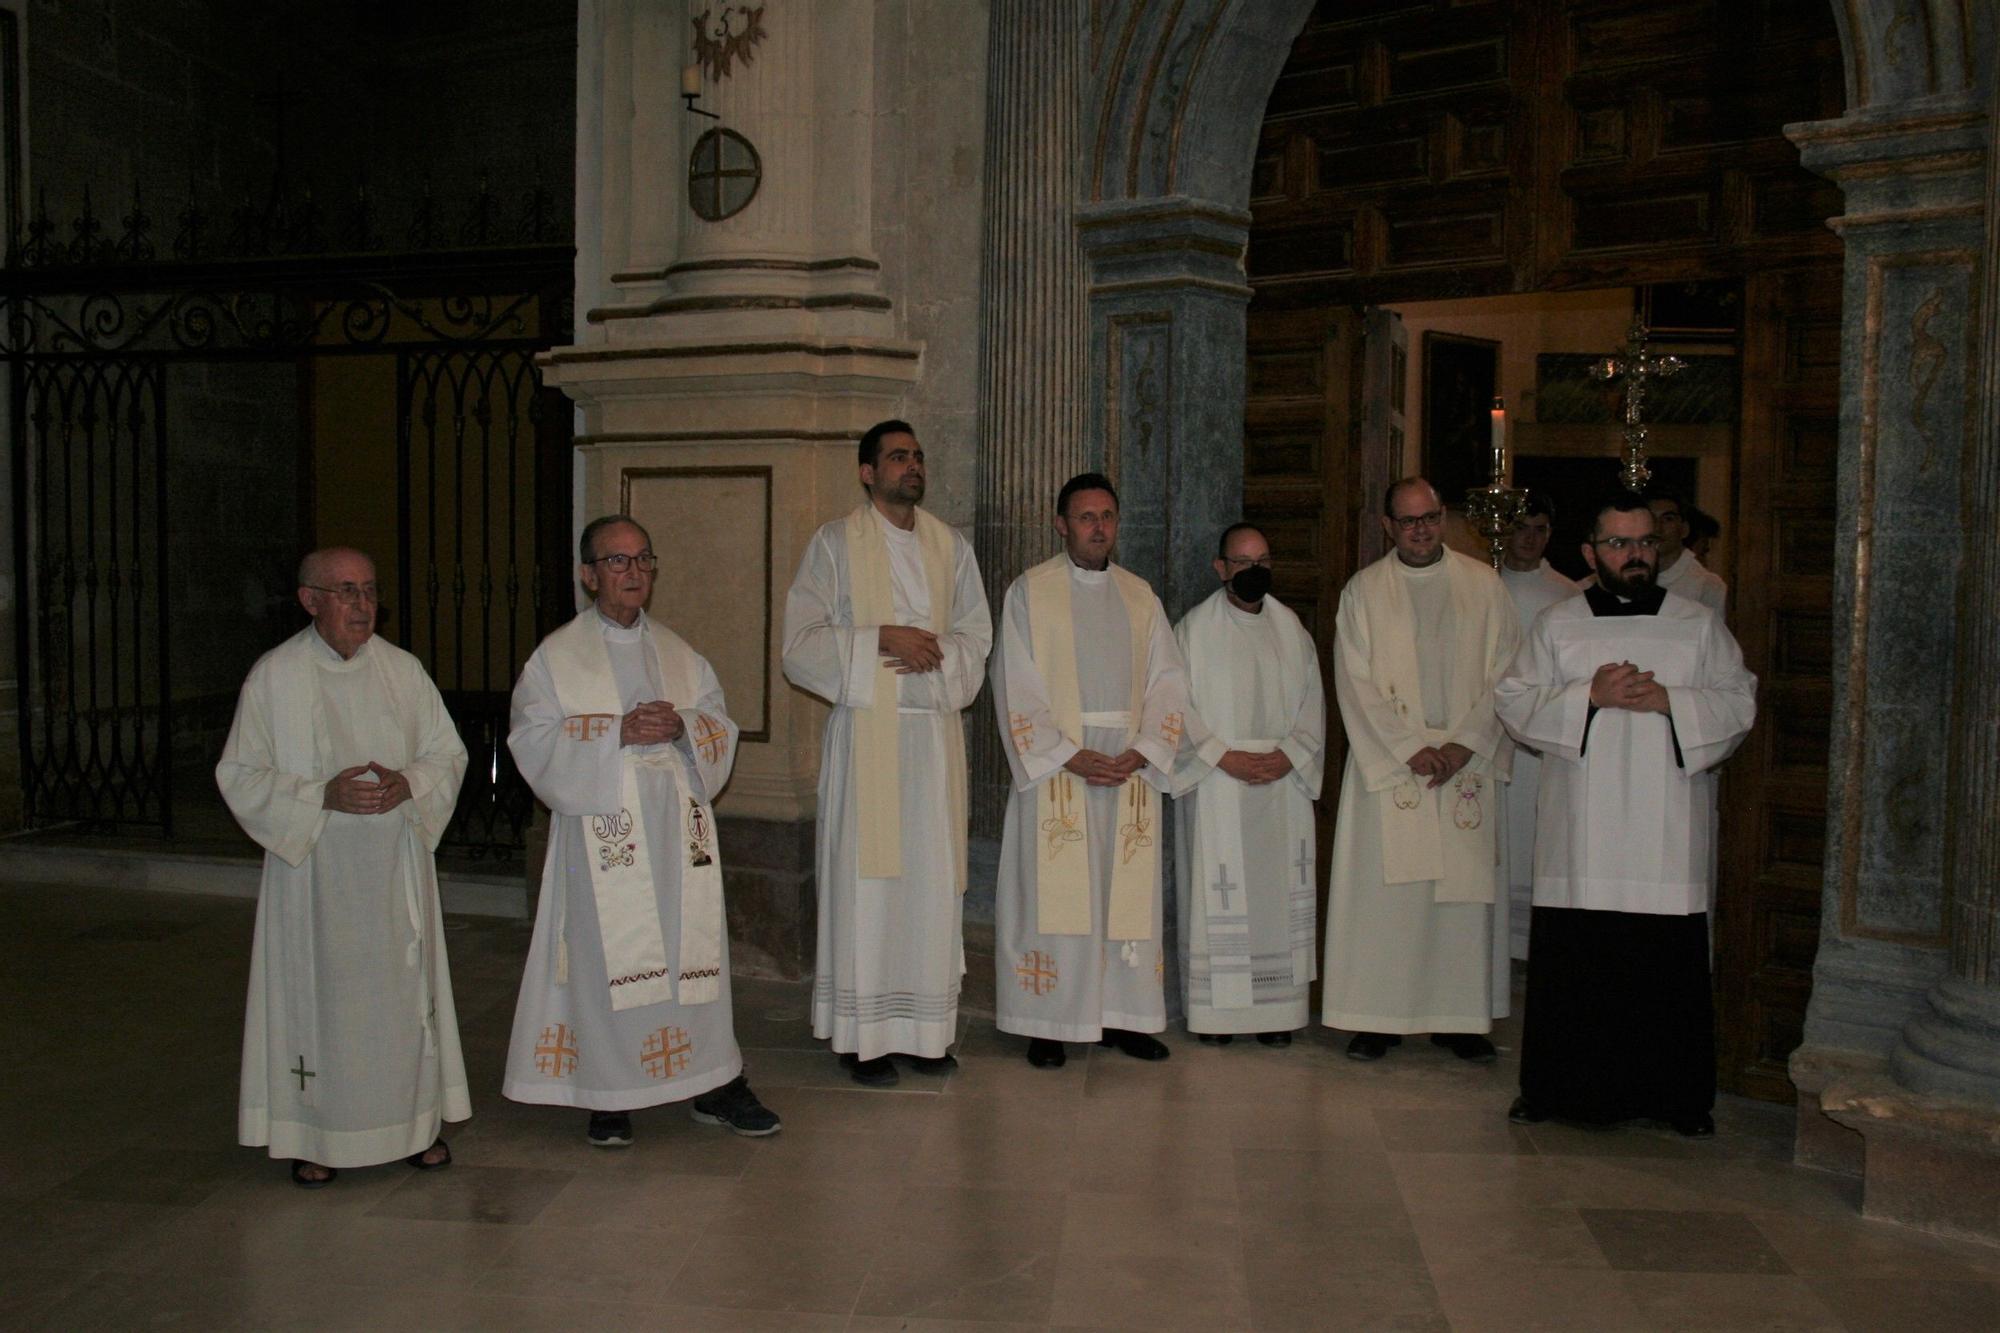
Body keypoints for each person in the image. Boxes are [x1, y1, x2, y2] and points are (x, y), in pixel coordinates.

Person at [502, 515, 779, 1145]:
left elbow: (718, 723)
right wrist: (613, 732)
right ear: (587, 573)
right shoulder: (556, 658)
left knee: (692, 949)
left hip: (676, 830)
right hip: (606, 824)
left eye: (643, 559)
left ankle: (713, 1080)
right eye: (617, 561)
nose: (634, 573)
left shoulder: (680, 653)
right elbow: (531, 736)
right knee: (606, 951)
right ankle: (610, 1089)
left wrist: (683, 726)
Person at [1496, 491, 1756, 1136]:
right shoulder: (1559, 623)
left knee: (1661, 970)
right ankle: (1556, 1091)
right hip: (1582, 834)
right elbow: (1514, 700)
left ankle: (1675, 1099)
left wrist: (1672, 702)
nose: (1634, 553)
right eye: (1618, 543)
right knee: (1577, 969)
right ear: (1590, 553)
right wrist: (1590, 695)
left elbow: (1738, 700)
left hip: (1663, 829)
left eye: (1643, 541)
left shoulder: (1696, 623)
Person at [218, 547, 469, 1188]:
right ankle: (317, 1135)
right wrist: (318, 796)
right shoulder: (273, 677)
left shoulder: (402, 670)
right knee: (322, 1003)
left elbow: (448, 752)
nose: (362, 605)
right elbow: (240, 775)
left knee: (400, 1000)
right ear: (309, 601)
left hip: (393, 870)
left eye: (369, 591)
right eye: (346, 591)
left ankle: (413, 1126)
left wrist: (410, 783)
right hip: (317, 879)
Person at [781, 420, 993, 1087]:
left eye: (918, 455)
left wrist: (932, 660)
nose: (912, 465)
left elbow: (976, 637)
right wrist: (882, 640)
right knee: (867, 885)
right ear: (867, 472)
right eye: (898, 456)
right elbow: (800, 643)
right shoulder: (836, 543)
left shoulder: (950, 547)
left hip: (929, 737)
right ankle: (864, 1035)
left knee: (928, 881)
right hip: (868, 734)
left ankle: (926, 1031)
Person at [990, 472, 1200, 1069]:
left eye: (1107, 515)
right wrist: (1065, 754)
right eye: (1086, 517)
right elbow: (1015, 682)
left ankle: (1123, 1016)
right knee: (1055, 898)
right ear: (1061, 524)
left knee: (1121, 898)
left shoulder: (1140, 596)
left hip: (1126, 767)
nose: (1098, 527)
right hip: (1062, 766)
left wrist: (1145, 749)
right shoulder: (1030, 592)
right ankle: (1050, 1022)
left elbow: (1169, 681)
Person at [1321, 478, 1521, 1063]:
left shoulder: (1484, 586)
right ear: (1387, 525)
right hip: (1396, 762)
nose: (1420, 530)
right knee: (1388, 898)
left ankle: (1458, 1020)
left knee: (1459, 899)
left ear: (1443, 518)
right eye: (1407, 521)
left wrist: (1465, 744)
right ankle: (1376, 1017)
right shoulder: (1364, 592)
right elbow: (1353, 681)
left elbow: (1508, 674)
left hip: (1465, 762)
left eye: (1430, 518)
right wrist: (1408, 747)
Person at [1172, 523, 1325, 1045]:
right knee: (1220, 896)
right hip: (1219, 782)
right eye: (1242, 562)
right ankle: (1217, 1016)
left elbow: (1313, 705)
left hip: (1280, 783)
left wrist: (1290, 755)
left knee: (1277, 897)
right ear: (1221, 568)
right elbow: (1177, 708)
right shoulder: (1192, 630)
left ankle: (1276, 1014)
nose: (1254, 571)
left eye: (1262, 560)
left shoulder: (1292, 630)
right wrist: (1221, 755)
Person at [1497, 494, 1580, 960]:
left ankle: (1532, 947)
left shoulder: (1568, 595)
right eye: (1521, 526)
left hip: (1541, 743)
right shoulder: (1483, 584)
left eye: (1540, 529)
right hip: (1491, 732)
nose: (1529, 538)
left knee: (1535, 833)